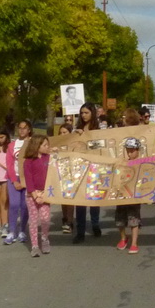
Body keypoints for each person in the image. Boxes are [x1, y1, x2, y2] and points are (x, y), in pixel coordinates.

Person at [73, 103, 102, 243]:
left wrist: (87, 138)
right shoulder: (77, 129)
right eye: (82, 113)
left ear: (92, 114)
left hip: (94, 168)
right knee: (80, 201)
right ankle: (80, 231)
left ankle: (95, 224)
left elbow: (100, 147)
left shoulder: (98, 130)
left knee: (94, 199)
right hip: (80, 169)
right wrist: (77, 136)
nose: (84, 115)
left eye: (86, 113)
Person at [23, 135, 52, 257]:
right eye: (44, 145)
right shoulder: (28, 161)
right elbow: (28, 180)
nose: (47, 147)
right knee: (33, 220)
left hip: (45, 193)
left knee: (45, 219)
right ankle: (34, 245)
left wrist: (56, 152)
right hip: (32, 195)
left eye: (48, 145)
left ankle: (45, 239)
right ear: (36, 146)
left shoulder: (48, 158)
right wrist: (35, 196)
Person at [4, 120, 31, 245]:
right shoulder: (12, 145)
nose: (22, 130)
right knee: (14, 204)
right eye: (20, 128)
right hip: (14, 177)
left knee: (25, 205)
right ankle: (12, 231)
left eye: (24, 128)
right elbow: (9, 164)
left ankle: (22, 230)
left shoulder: (33, 143)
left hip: (28, 179)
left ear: (29, 130)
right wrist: (14, 181)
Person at [115, 138, 143, 254]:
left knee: (134, 219)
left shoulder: (143, 162)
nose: (130, 153)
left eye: (132, 151)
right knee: (119, 220)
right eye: (128, 151)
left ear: (138, 150)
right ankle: (123, 238)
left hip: (134, 196)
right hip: (122, 196)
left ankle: (134, 243)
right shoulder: (123, 163)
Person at [57, 123, 75, 233]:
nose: (62, 134)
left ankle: (70, 221)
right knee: (63, 199)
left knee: (70, 198)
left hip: (72, 173)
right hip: (60, 173)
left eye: (65, 132)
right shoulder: (57, 144)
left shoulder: (74, 144)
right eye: (60, 132)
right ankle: (64, 218)